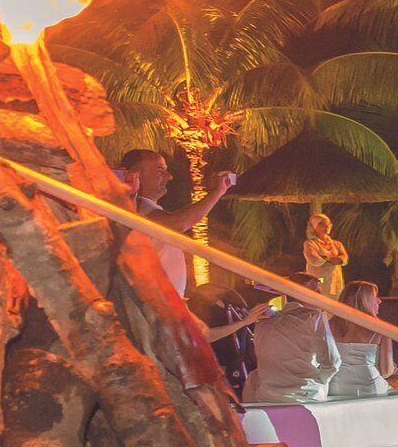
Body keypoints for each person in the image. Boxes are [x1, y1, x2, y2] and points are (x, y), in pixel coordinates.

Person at [116, 149, 233, 290]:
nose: (169, 176)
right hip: (153, 309)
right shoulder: (138, 209)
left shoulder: (148, 210)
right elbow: (179, 222)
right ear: (134, 174)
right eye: (160, 170)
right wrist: (218, 191)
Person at [244, 274, 341, 405]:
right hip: (304, 397)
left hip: (267, 396)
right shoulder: (314, 317)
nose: (321, 296)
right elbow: (332, 361)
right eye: (316, 291)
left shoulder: (263, 322)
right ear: (301, 294)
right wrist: (318, 382)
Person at [327, 279, 394, 399]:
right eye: (375, 297)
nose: (379, 301)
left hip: (335, 388)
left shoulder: (328, 325)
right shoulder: (382, 329)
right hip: (370, 388)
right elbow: (386, 372)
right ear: (365, 301)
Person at [302, 213, 351, 298]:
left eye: (328, 225)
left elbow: (344, 260)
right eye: (322, 225)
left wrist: (326, 259)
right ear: (315, 227)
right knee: (319, 302)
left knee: (335, 304)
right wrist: (335, 260)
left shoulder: (337, 244)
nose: (326, 227)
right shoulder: (309, 244)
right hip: (319, 281)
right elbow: (315, 261)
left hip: (335, 282)